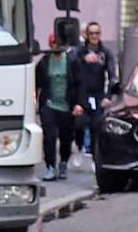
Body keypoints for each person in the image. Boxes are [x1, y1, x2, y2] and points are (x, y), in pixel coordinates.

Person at [70, 21, 119, 160]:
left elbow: (112, 75)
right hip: (82, 94)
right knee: (79, 124)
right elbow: (71, 68)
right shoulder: (79, 51)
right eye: (91, 33)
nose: (94, 36)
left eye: (96, 33)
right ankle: (79, 147)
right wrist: (82, 60)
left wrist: (108, 96)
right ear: (86, 34)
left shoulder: (105, 52)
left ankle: (94, 156)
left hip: (98, 94)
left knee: (96, 126)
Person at [36, 32, 76, 181]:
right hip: (49, 104)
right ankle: (50, 166)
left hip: (67, 105)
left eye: (58, 44)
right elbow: (37, 84)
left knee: (66, 137)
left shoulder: (71, 62)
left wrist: (79, 104)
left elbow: (79, 83)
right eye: (53, 43)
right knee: (49, 137)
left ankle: (63, 162)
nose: (56, 46)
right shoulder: (44, 63)